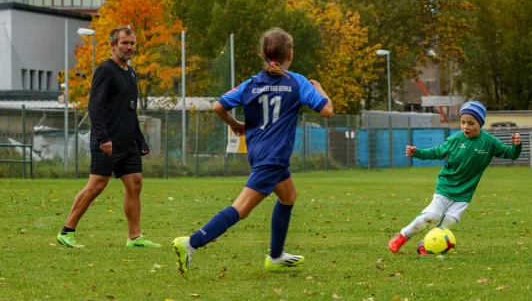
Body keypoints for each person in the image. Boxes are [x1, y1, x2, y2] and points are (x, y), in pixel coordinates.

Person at [172, 28, 333, 278]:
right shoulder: (297, 82)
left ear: (263, 54)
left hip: (259, 154)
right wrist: (320, 89)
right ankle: (191, 243)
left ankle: (276, 256)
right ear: (289, 54)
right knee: (241, 209)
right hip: (273, 158)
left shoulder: (251, 83)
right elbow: (327, 111)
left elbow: (218, 106)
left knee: (288, 196)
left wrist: (234, 124)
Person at [56, 27, 160, 249]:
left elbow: (129, 110)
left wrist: (139, 140)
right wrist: (103, 137)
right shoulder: (105, 70)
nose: (129, 47)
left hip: (128, 142)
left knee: (135, 183)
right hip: (107, 141)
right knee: (96, 185)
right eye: (124, 43)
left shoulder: (130, 73)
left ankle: (134, 237)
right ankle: (67, 231)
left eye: (132, 43)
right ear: (113, 46)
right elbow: (95, 106)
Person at [388, 101, 522, 255]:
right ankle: (403, 235)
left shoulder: (490, 142)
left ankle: (425, 245)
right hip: (446, 186)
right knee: (432, 216)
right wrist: (417, 152)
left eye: (471, 123)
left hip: (465, 192)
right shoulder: (455, 139)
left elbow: (510, 154)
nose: (466, 126)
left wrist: (516, 146)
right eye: (463, 122)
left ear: (481, 123)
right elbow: (436, 152)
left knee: (449, 221)